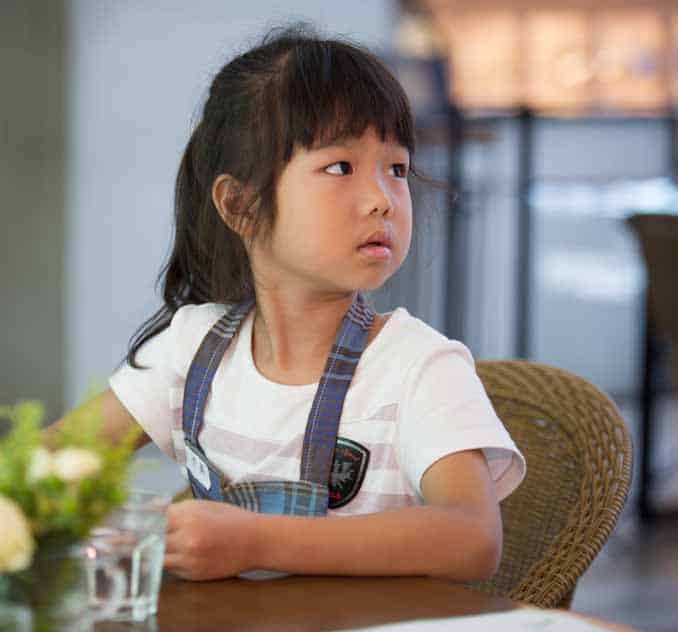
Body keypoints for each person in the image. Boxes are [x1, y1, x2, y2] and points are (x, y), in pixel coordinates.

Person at [58, 25, 525, 582]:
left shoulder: (417, 366)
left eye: (396, 169)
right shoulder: (191, 349)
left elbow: (473, 538)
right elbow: (51, 461)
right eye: (340, 167)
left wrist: (254, 542)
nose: (382, 200)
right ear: (240, 206)